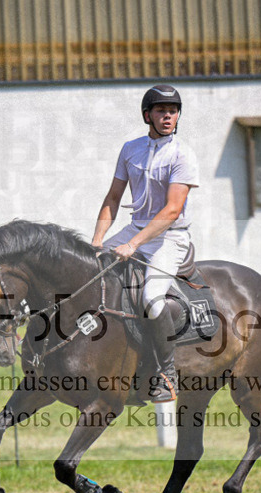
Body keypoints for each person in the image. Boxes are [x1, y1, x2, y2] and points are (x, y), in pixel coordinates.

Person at [91, 84, 200, 403]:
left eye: (173, 111)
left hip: (170, 237)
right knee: (89, 274)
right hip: (134, 229)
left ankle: (167, 373)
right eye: (162, 111)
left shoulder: (183, 154)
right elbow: (113, 197)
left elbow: (171, 210)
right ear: (147, 115)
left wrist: (133, 244)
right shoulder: (130, 149)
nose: (168, 116)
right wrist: (97, 241)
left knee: (152, 299)